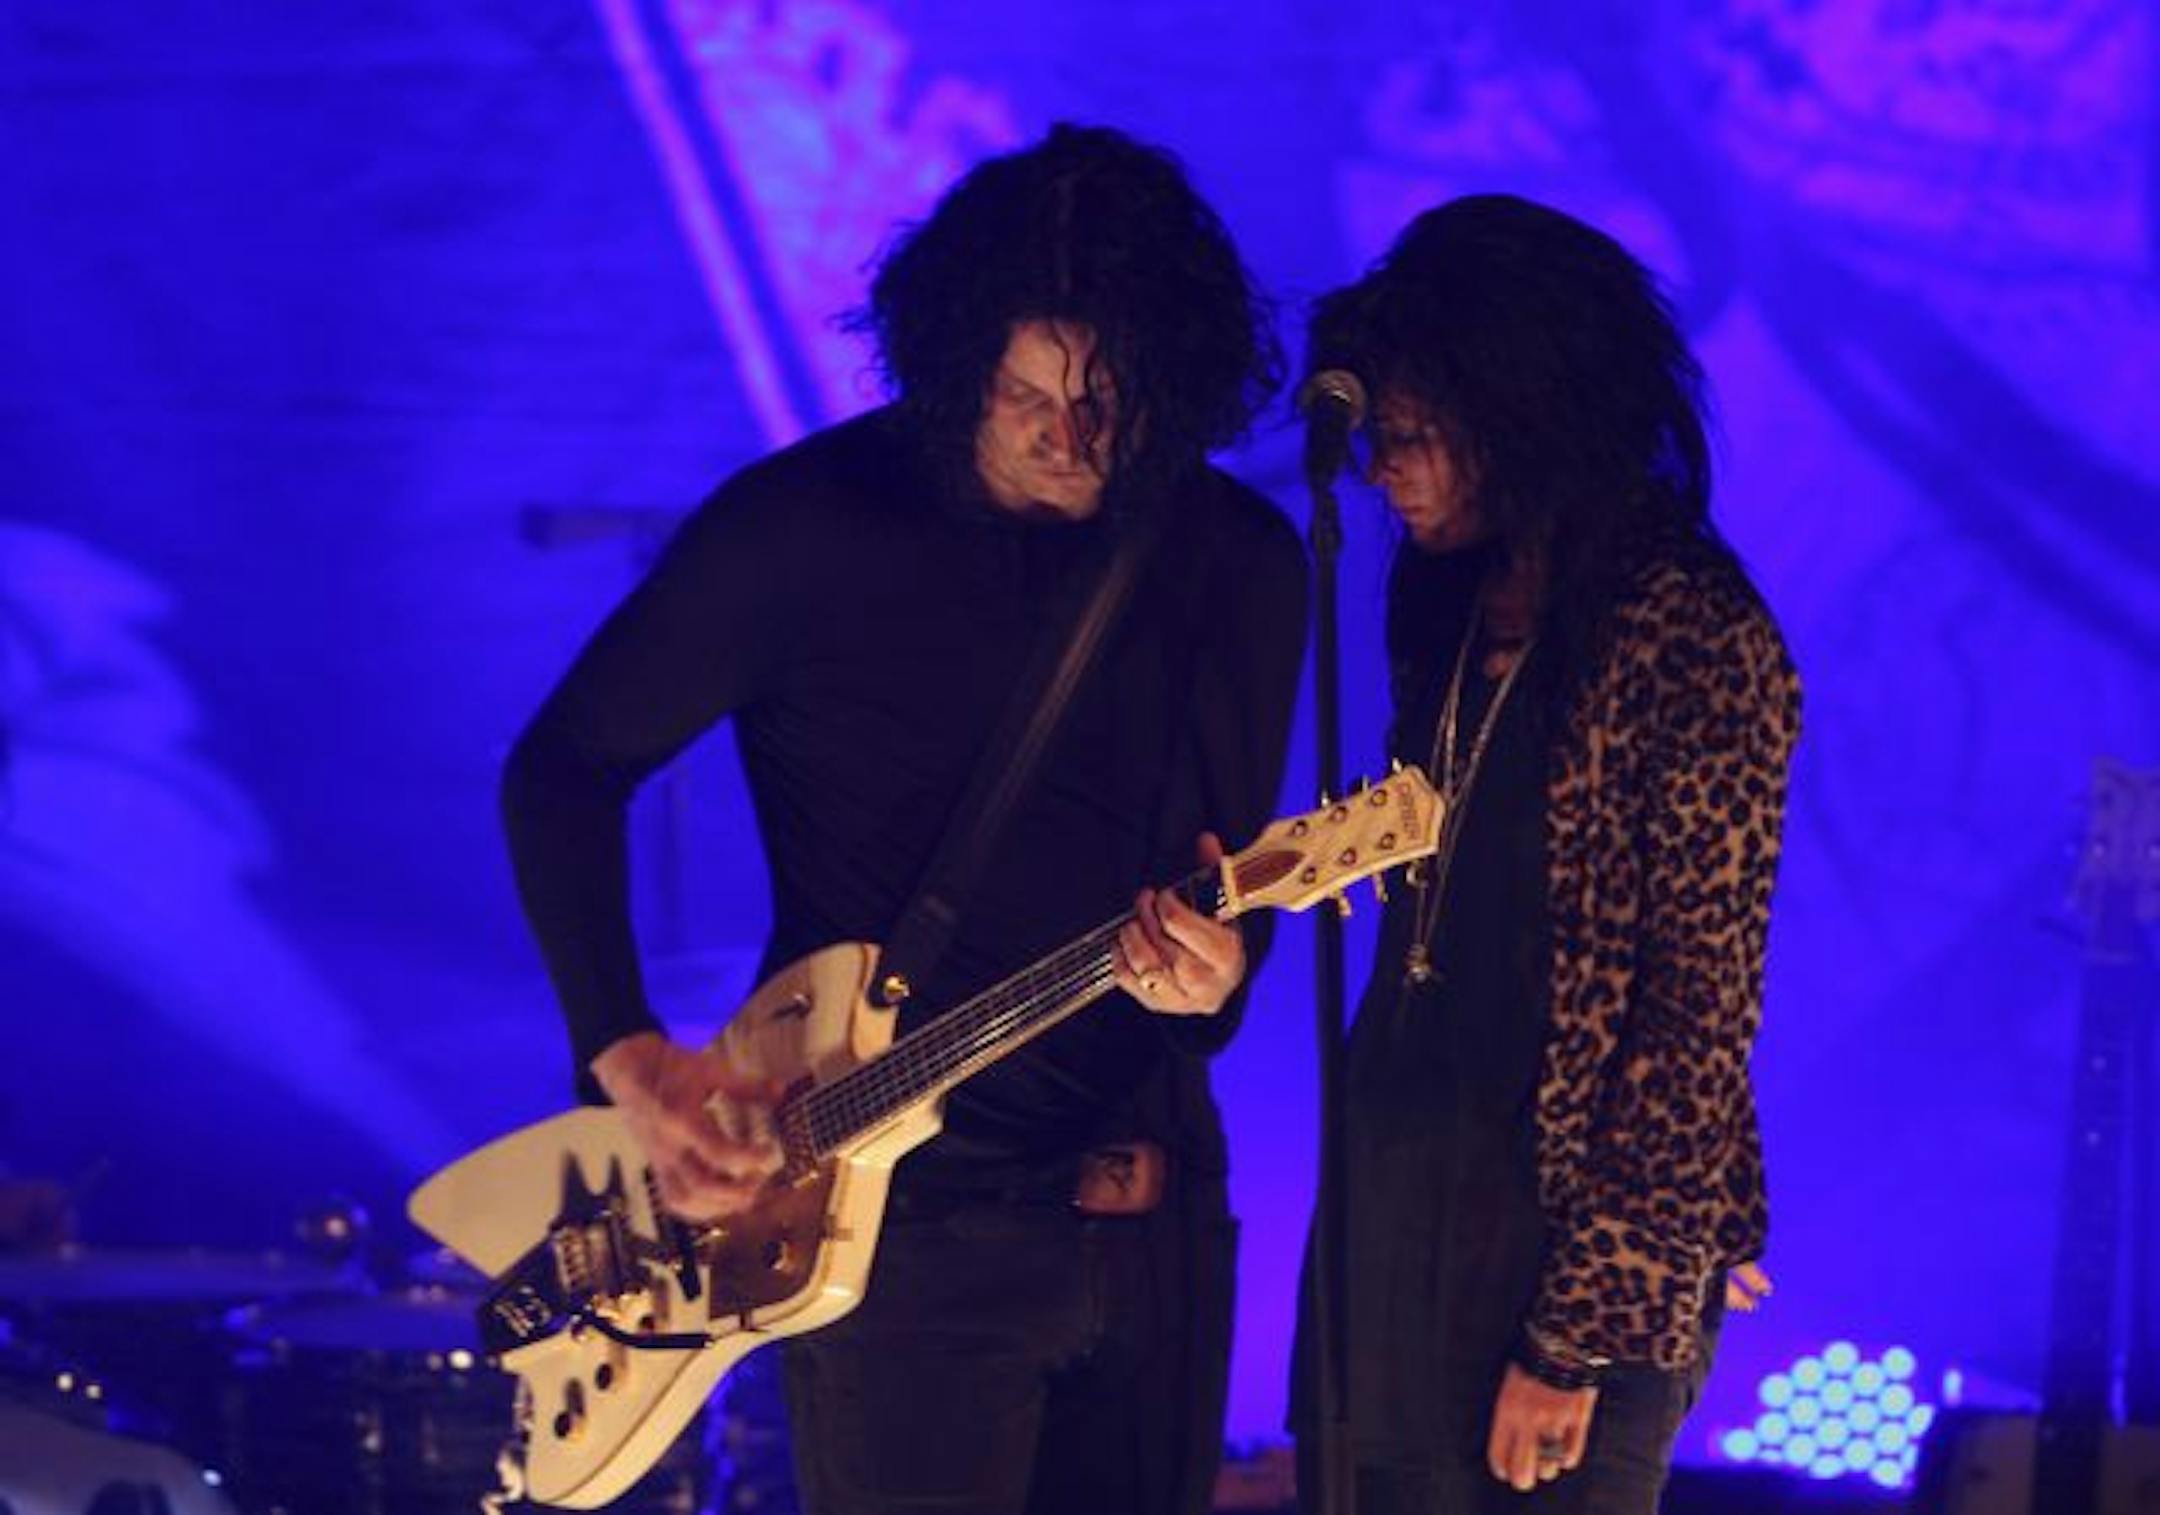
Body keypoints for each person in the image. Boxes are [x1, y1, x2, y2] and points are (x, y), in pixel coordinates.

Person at [501, 124, 1308, 1515]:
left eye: (1108, 401)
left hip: (1149, 1207)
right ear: (956, 365)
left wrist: (1216, 976)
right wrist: (624, 1051)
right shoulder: (808, 528)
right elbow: (562, 772)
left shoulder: (1236, 561)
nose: (1068, 440)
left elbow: (1223, 896)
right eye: (1024, 396)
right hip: (893, 1234)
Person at [1289, 195, 1801, 1514]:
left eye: (1413, 437)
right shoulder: (1447, 601)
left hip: (1555, 1249)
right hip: (1394, 1199)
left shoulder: (1690, 630)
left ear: (1521, 416)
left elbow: (1696, 1015)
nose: (1383, 472)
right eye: (1379, 437)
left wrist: (1577, 1334)